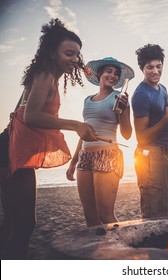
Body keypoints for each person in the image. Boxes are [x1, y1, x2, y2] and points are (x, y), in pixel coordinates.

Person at [0, 18, 98, 259]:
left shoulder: (46, 75)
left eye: (77, 55)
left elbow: (18, 115)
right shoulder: (45, 75)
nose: (75, 59)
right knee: (24, 225)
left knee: (12, 221)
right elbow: (31, 116)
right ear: (52, 52)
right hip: (10, 152)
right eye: (69, 53)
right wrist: (75, 124)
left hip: (9, 147)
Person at [66, 57, 134, 227]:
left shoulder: (120, 97)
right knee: (90, 216)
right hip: (85, 156)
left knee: (105, 215)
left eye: (116, 74)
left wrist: (124, 111)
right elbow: (84, 133)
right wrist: (73, 162)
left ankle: (123, 250)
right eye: (109, 71)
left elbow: (127, 134)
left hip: (108, 154)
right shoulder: (87, 100)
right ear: (99, 74)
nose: (113, 76)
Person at [131, 44, 168, 218]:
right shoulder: (141, 94)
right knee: (155, 213)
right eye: (149, 67)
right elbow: (141, 137)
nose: (155, 71)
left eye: (158, 66)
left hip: (165, 154)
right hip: (148, 156)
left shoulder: (162, 89)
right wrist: (167, 118)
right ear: (142, 68)